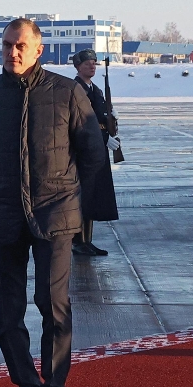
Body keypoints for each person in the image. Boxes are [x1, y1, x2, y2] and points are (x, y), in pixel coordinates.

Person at [0, 19, 105, 387]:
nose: (12, 52)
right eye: (7, 45)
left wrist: (66, 194)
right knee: (8, 312)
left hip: (54, 214)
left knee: (53, 305)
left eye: (20, 45)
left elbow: (91, 152)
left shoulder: (67, 92)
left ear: (38, 50)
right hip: (2, 214)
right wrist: (3, 185)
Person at [70, 49, 120, 256]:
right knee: (82, 197)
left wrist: (112, 119)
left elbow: (99, 118)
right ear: (78, 66)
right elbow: (81, 123)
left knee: (92, 197)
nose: (92, 66)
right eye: (87, 63)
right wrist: (103, 137)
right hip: (84, 152)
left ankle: (86, 240)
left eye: (94, 63)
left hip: (97, 151)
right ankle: (77, 241)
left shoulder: (95, 89)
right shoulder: (75, 89)